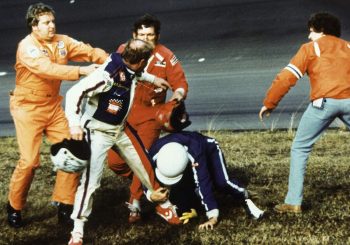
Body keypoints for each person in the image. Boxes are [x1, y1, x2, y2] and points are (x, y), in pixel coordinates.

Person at [65, 39, 180, 245]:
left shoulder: (129, 64)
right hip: (98, 132)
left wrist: (153, 79)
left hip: (120, 128)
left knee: (144, 164)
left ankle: (162, 203)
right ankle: (77, 230)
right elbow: (75, 93)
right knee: (91, 181)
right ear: (143, 60)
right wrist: (74, 124)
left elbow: (135, 73)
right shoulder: (106, 75)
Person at [7, 2, 108, 228]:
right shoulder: (27, 47)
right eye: (46, 23)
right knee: (30, 161)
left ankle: (65, 203)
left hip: (52, 107)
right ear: (34, 26)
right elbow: (48, 69)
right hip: (27, 107)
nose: (52, 26)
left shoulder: (62, 41)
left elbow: (88, 51)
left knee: (74, 148)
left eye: (52, 21)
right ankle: (14, 206)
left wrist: (110, 61)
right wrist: (81, 71)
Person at [259, 12, 350, 213]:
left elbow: (286, 78)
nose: (309, 36)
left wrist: (270, 103)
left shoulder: (310, 48)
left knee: (300, 147)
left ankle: (293, 202)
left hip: (323, 103)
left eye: (311, 32)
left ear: (321, 31)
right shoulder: (349, 46)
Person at [106, 13, 189, 223]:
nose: (145, 39)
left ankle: (135, 202)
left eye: (150, 35)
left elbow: (179, 83)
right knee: (115, 162)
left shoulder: (166, 56)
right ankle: (151, 180)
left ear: (157, 36)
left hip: (151, 116)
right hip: (125, 114)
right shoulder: (123, 50)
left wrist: (177, 96)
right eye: (141, 34)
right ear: (134, 35)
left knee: (139, 159)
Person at [148, 131, 264, 230]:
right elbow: (143, 176)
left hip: (208, 149)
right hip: (185, 155)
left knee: (222, 183)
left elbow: (203, 183)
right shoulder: (153, 153)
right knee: (182, 197)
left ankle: (243, 193)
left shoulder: (195, 151)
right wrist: (150, 195)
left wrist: (212, 216)